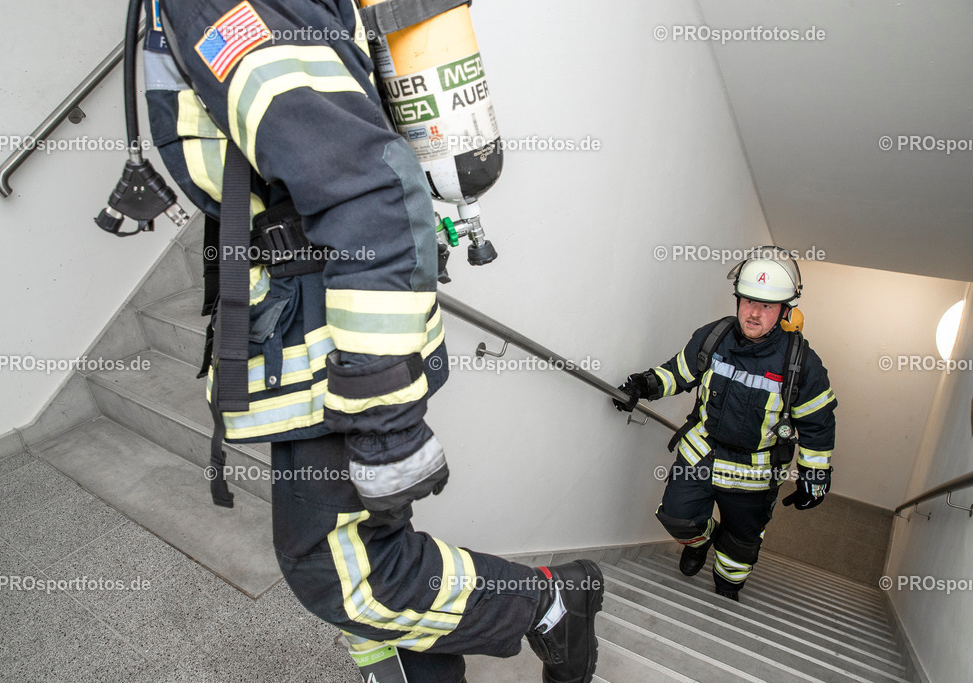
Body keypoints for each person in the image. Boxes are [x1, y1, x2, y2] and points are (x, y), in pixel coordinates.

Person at [141, 0, 603, 680]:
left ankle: (552, 601)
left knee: (345, 576)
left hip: (338, 342)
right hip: (324, 325)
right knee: (364, 556)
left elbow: (369, 190)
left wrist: (386, 426)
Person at [613, 249, 836, 601]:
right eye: (748, 301)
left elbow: (818, 424)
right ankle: (701, 544)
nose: (754, 312)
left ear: (786, 311)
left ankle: (726, 590)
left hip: (755, 473)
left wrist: (815, 476)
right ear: (738, 300)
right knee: (677, 517)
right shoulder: (714, 336)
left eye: (767, 305)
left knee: (738, 552)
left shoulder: (802, 364)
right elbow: (678, 373)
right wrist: (643, 385)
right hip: (703, 452)